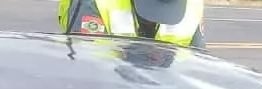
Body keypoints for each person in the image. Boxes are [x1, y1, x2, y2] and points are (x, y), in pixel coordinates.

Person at [59, 0, 205, 47]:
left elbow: (196, 69)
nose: (153, 20)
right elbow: (87, 66)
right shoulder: (94, 3)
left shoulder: (192, 6)